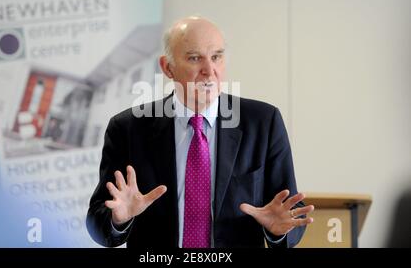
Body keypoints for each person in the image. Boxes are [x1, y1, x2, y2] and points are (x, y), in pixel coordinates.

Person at [86, 16, 314, 248]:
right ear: (168, 68)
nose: (209, 70)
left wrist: (278, 232)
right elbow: (97, 221)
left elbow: (289, 213)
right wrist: (117, 220)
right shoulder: (128, 128)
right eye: (195, 58)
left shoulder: (264, 122)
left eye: (216, 57)